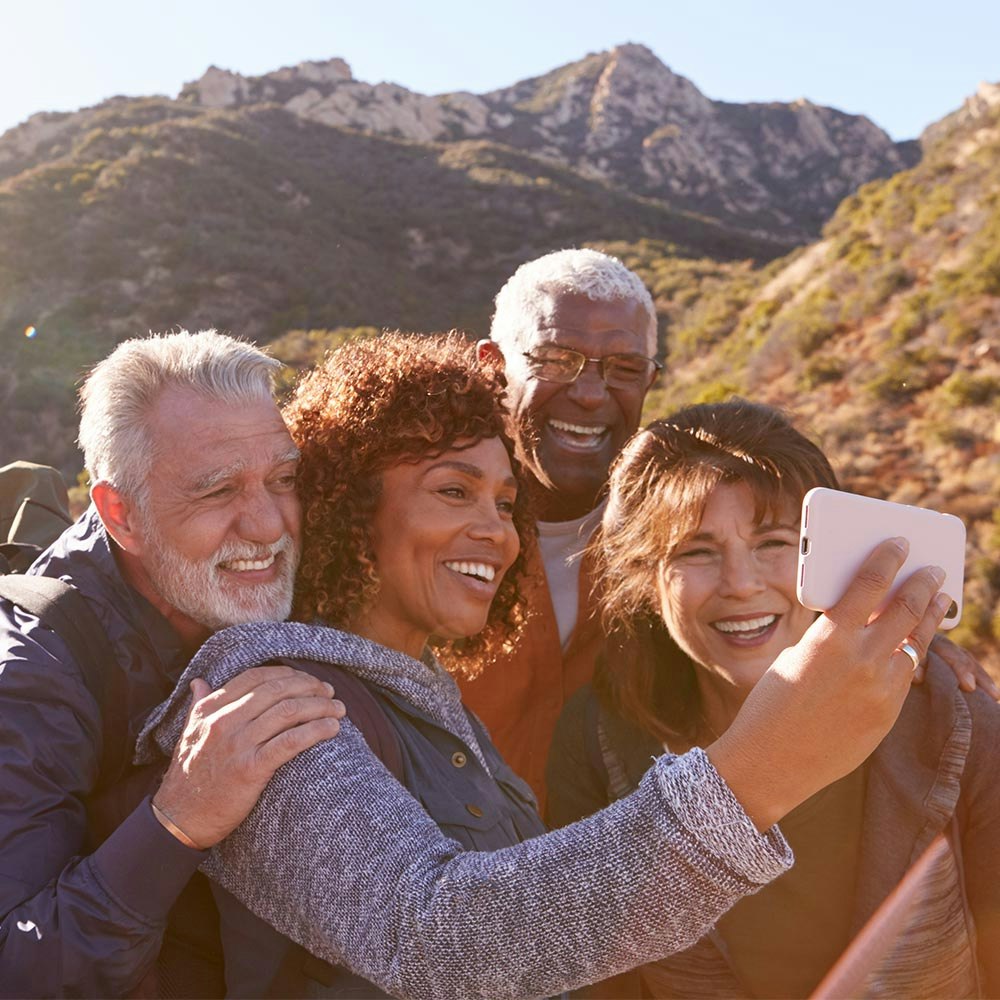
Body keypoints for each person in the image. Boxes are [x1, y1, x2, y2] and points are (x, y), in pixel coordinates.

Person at [136, 333, 950, 1000]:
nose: (497, 531)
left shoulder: (422, 705)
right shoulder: (266, 689)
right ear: (350, 506)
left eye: (504, 503)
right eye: (453, 491)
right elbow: (436, 939)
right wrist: (751, 779)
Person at [459, 247, 996, 809]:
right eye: (556, 359)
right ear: (494, 367)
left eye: (623, 369)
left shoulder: (677, 521)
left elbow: (808, 604)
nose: (591, 393)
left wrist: (910, 640)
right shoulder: (427, 534)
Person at [547, 399, 999, 999]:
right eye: (695, 552)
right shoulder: (602, 738)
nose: (741, 583)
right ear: (646, 583)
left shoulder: (951, 717)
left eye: (774, 543)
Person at [0, 330, 345, 998]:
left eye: (283, 480)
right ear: (120, 513)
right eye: (217, 492)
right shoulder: (34, 675)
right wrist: (177, 819)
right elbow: (17, 965)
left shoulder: (287, 574)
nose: (268, 526)